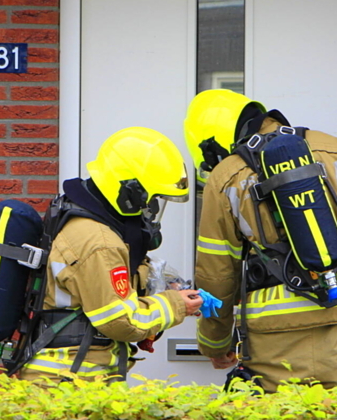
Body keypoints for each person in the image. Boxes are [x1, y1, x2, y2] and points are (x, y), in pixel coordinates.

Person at [185, 89, 337, 392]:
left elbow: (217, 273)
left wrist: (214, 343)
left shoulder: (226, 176)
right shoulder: (334, 150)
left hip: (272, 333)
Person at [16, 127, 203, 382]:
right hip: (67, 385)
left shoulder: (90, 223)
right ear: (129, 192)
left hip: (73, 378)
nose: (152, 210)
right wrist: (176, 304)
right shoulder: (100, 243)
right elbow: (121, 321)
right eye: (151, 199)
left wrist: (157, 289)